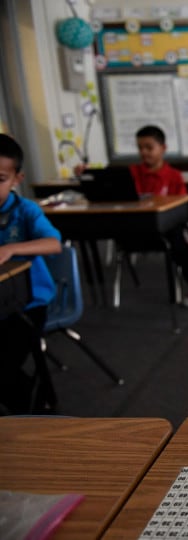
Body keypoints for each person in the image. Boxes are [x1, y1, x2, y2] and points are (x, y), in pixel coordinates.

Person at [77, 125, 188, 306]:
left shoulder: (174, 176)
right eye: (140, 148)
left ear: (163, 148)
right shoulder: (130, 173)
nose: (144, 152)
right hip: (134, 229)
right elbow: (104, 189)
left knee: (180, 237)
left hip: (164, 231)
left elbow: (181, 208)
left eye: (149, 147)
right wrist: (84, 175)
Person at [0, 133, 62, 414]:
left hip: (29, 304)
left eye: (0, 179)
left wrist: (13, 248)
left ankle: (31, 413)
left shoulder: (26, 211)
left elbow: (54, 243)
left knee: (4, 366)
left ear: (16, 179)